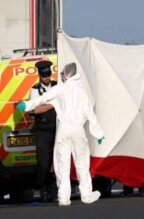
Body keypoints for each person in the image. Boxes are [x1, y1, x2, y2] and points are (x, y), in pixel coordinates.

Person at [17, 62, 105, 206]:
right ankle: (87, 195)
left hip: (63, 130)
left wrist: (26, 105)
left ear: (67, 75)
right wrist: (98, 133)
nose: (61, 76)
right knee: (81, 162)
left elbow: (41, 98)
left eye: (63, 73)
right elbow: (90, 113)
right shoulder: (81, 92)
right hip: (78, 130)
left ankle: (63, 198)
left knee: (62, 164)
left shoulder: (59, 89)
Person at [30, 60, 57, 202]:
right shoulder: (35, 89)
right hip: (42, 131)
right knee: (44, 163)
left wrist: (46, 105)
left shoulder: (57, 85)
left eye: (48, 74)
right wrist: (52, 104)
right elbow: (36, 109)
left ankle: (53, 190)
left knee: (57, 161)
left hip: (57, 128)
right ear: (39, 75)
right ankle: (40, 185)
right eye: (44, 75)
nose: (46, 78)